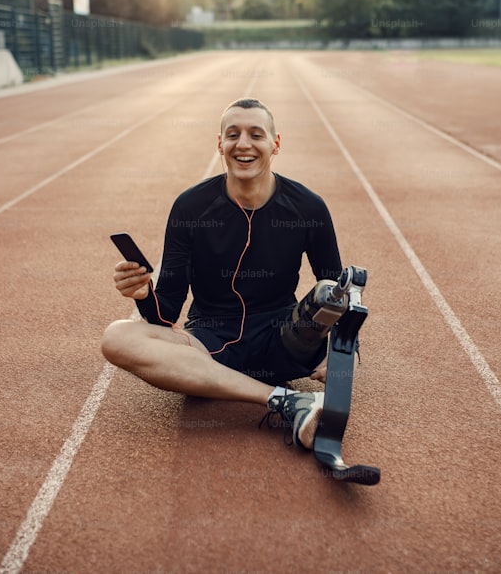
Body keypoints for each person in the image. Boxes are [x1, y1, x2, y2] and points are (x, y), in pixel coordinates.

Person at [100, 98, 345, 450]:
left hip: (287, 341)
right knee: (116, 338)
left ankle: (248, 388)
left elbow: (338, 289)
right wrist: (143, 294)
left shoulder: (308, 207)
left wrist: (342, 350)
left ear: (275, 144)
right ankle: (286, 400)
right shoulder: (191, 207)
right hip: (212, 344)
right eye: (233, 135)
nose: (243, 144)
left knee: (327, 293)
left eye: (255, 134)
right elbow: (166, 313)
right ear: (220, 145)